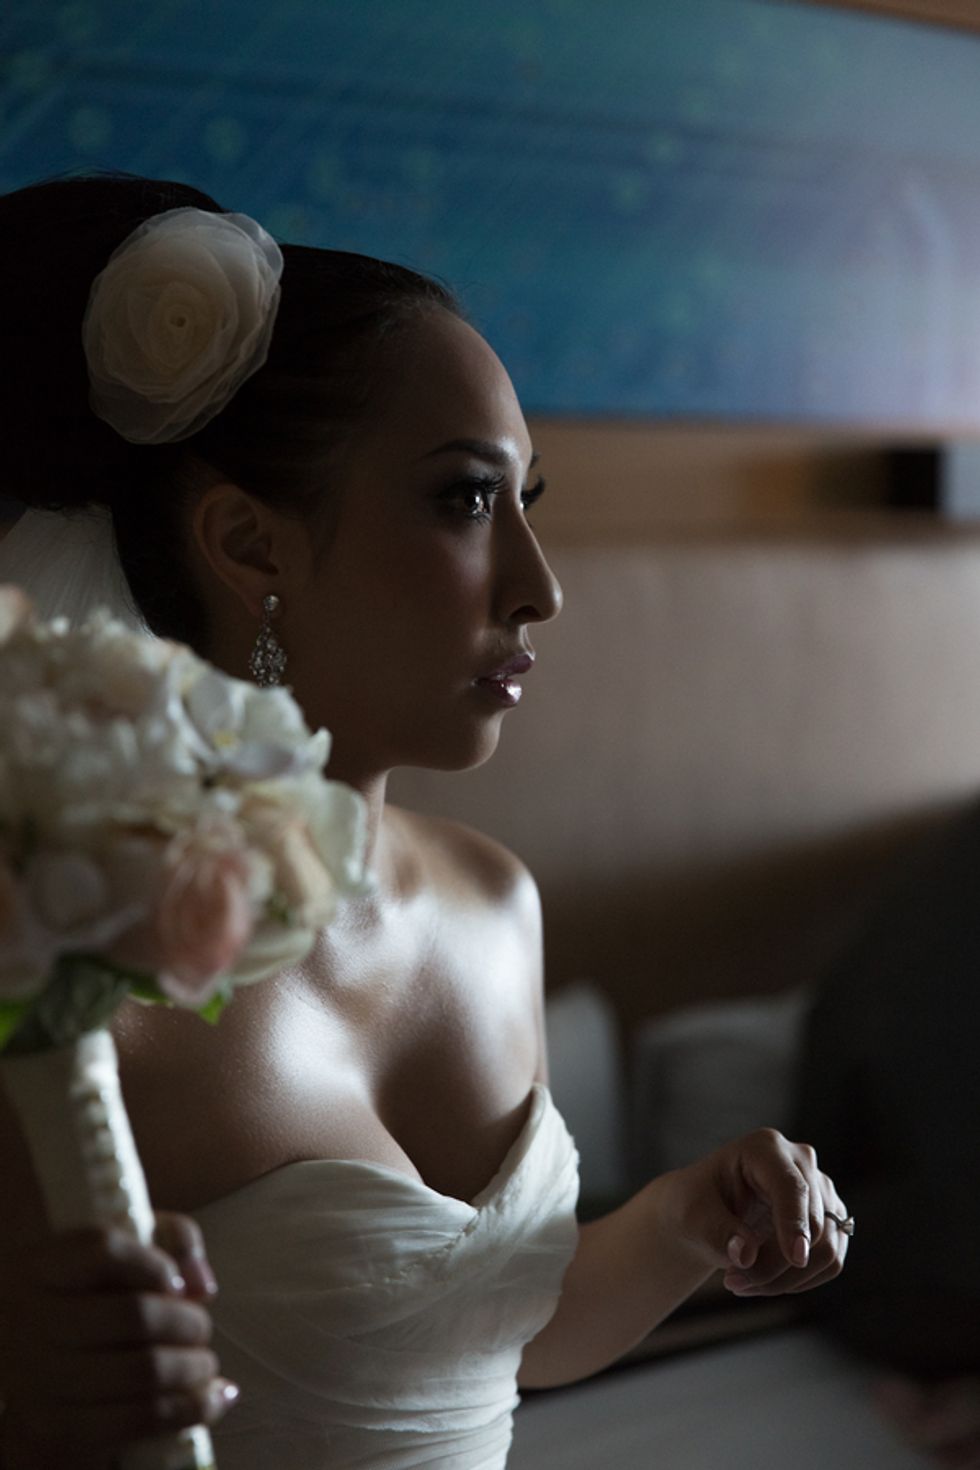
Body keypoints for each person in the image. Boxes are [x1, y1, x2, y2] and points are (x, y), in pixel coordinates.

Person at [0, 173, 852, 1470]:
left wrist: (685, 1218)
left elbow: (484, 1335)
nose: (539, 586)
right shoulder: (69, 960)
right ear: (249, 543)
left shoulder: (493, 901)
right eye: (465, 499)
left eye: (527, 502)